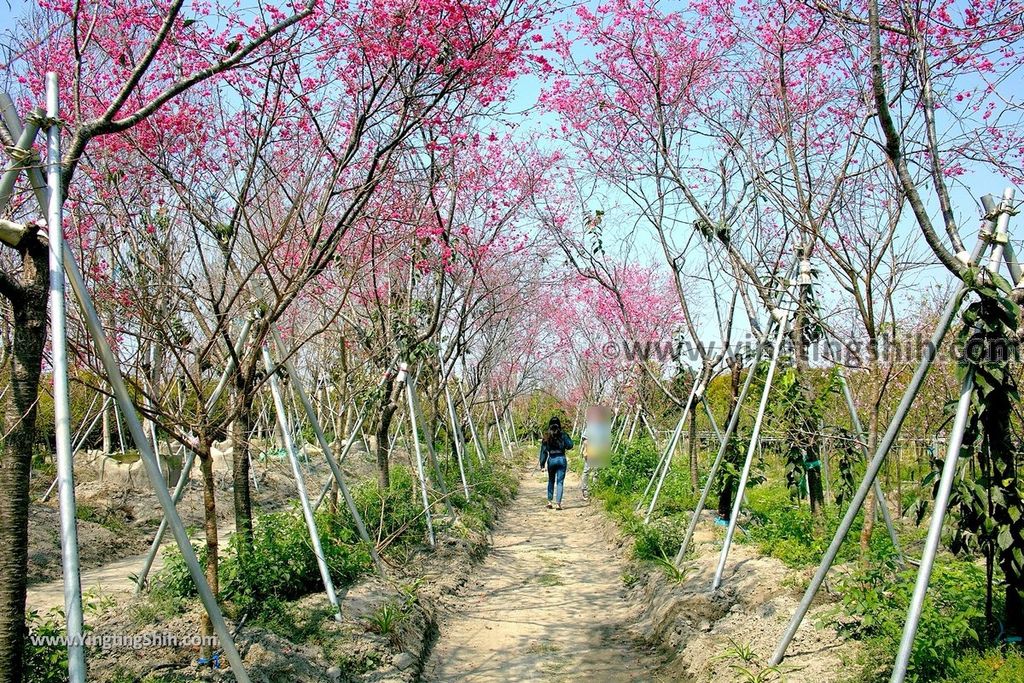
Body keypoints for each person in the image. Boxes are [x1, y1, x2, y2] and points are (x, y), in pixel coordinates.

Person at [538, 416, 573, 509]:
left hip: (552, 459)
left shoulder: (546, 436)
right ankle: (558, 504)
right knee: (560, 482)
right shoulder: (563, 434)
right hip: (561, 459)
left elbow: (543, 452)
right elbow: (570, 445)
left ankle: (549, 502)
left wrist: (542, 463)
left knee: (551, 481)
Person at [580, 405, 612, 500]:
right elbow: (585, 439)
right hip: (591, 451)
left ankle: (595, 489)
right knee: (587, 470)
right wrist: (587, 449)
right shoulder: (591, 426)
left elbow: (607, 441)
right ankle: (584, 490)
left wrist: (606, 449)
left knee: (597, 471)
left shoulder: (606, 427)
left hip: (601, 452)